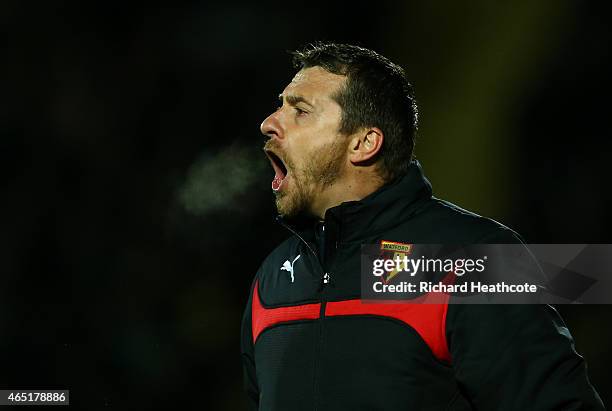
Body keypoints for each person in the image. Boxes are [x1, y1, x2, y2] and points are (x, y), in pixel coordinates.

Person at [240, 42, 604, 410]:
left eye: (300, 110)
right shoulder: (270, 282)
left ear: (364, 143)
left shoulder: (471, 257)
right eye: (281, 105)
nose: (269, 123)